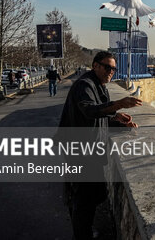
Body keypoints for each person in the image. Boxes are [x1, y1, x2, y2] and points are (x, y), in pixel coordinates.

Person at [58, 51, 142, 240]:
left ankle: (83, 227)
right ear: (95, 65)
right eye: (107, 67)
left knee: (97, 193)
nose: (111, 71)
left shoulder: (100, 86)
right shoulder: (85, 85)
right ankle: (82, 234)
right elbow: (89, 111)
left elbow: (99, 116)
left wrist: (117, 120)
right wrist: (119, 104)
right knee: (84, 198)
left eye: (114, 68)